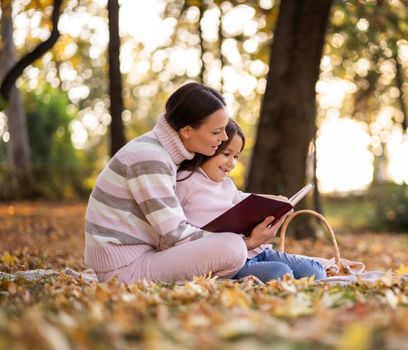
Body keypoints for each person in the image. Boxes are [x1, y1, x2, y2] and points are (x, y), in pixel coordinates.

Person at [84, 82, 287, 283]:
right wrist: (248, 242)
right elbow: (174, 235)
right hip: (124, 267)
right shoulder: (149, 157)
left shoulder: (163, 153)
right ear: (187, 131)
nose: (224, 137)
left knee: (233, 246)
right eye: (216, 132)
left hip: (140, 256)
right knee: (233, 248)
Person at [176, 119, 327, 282]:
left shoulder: (227, 184)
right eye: (226, 154)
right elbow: (176, 231)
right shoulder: (185, 181)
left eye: (236, 156)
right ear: (207, 148)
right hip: (232, 261)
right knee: (281, 273)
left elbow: (245, 203)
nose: (232, 163)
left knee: (315, 271)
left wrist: (279, 205)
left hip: (258, 251)